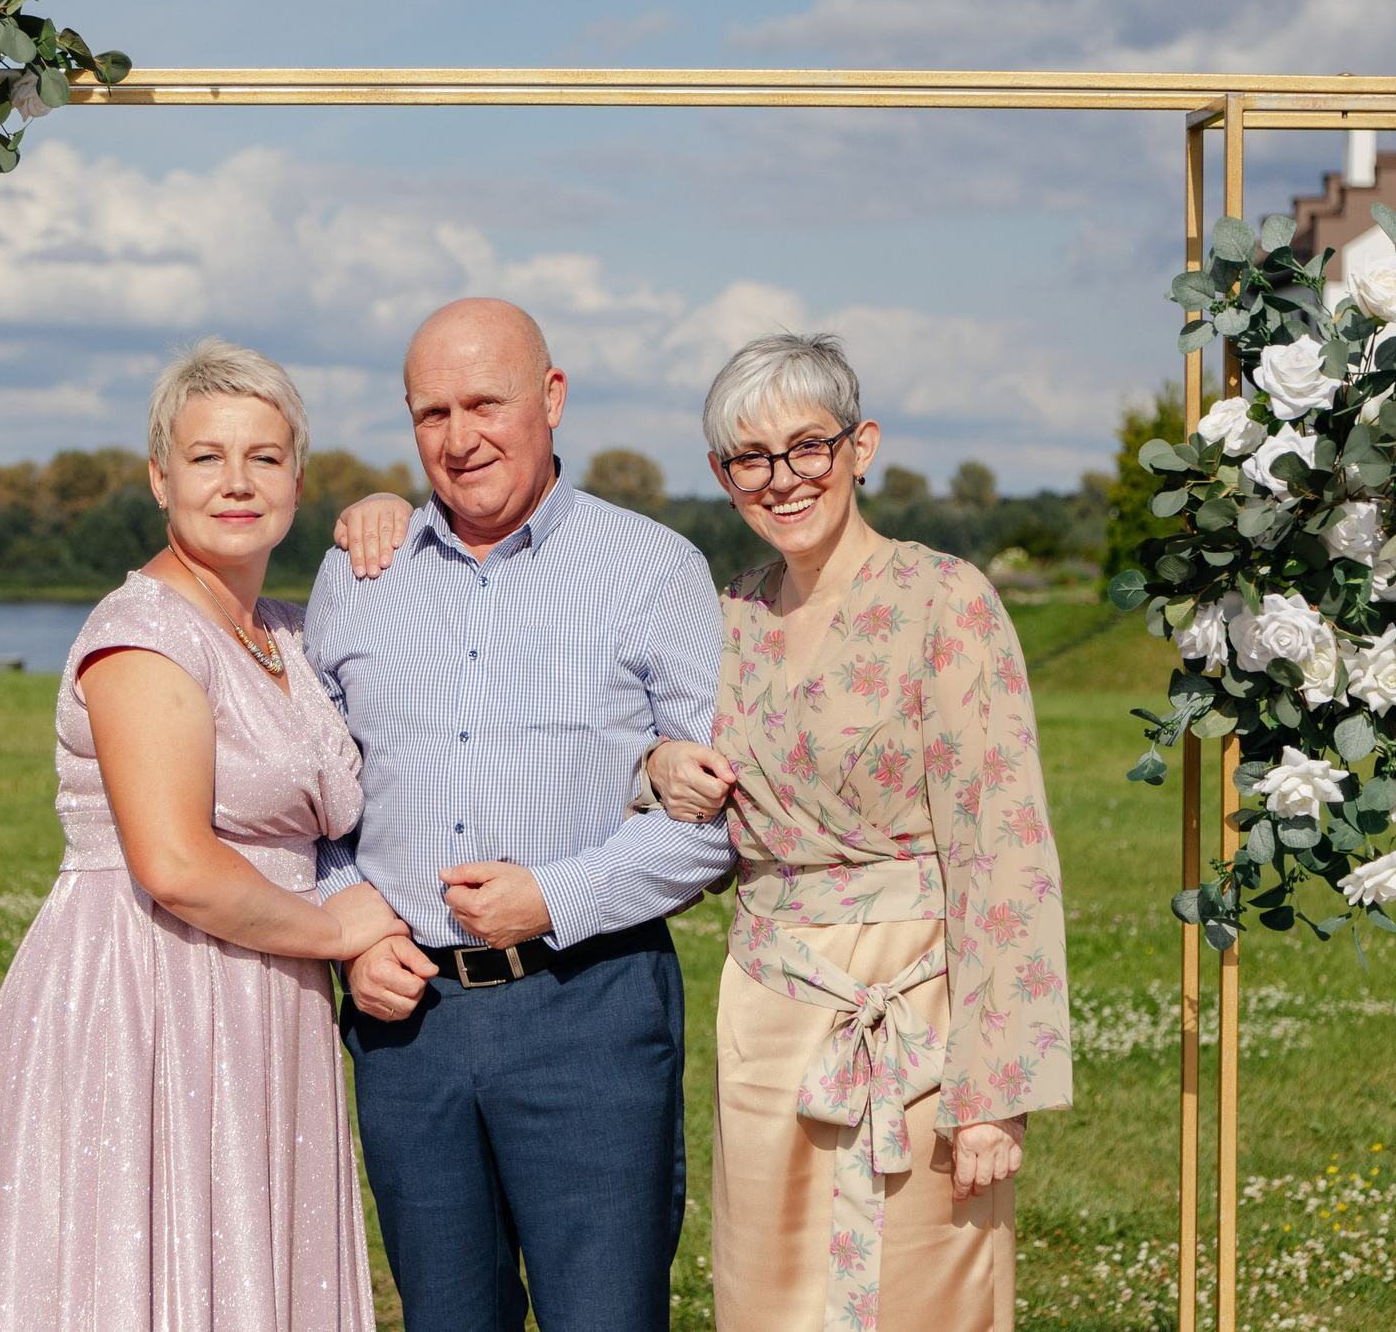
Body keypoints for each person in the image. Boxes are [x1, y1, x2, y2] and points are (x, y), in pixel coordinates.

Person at [0, 339, 405, 1332]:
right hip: (148, 989)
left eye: (265, 458)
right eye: (206, 458)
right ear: (161, 477)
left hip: (263, 993)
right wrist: (340, 933)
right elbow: (173, 865)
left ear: (297, 478)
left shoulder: (285, 630)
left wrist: (393, 518)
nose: (236, 484)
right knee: (139, 1274)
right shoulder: (144, 633)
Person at [310, 298, 731, 1332]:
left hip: (586, 1006)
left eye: (485, 402)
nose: (459, 439)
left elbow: (715, 813)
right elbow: (309, 797)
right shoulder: (355, 575)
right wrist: (348, 931)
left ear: (551, 398)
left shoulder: (655, 569)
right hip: (407, 1027)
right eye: (431, 413)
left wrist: (554, 895)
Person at [645, 332, 1074, 1332]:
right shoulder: (728, 620)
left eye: (809, 446)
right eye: (751, 458)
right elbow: (663, 780)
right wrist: (654, 768)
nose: (784, 478)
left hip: (915, 1021)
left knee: (922, 1294)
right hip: (768, 1025)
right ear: (722, 475)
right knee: (767, 1298)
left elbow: (1003, 848)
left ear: (859, 445)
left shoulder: (946, 603)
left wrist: (994, 1088)